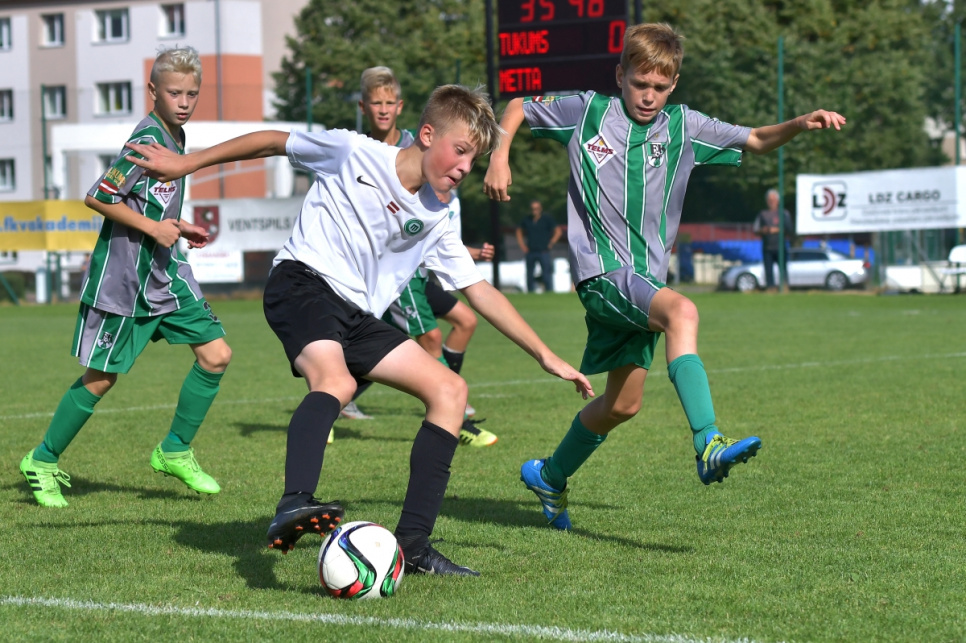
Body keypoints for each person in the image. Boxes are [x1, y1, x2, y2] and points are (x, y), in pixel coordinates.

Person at [127, 83, 594, 575]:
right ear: (427, 134)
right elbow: (272, 141)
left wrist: (545, 355)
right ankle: (294, 503)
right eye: (459, 150)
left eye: (473, 159)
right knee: (337, 382)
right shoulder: (354, 152)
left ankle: (413, 546)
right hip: (302, 283)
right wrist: (186, 164)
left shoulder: (436, 217)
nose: (463, 167)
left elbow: (479, 291)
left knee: (450, 391)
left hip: (356, 315)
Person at [484, 22, 845, 530]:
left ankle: (549, 475)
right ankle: (708, 442)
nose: (648, 95)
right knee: (683, 310)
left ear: (673, 84)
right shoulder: (587, 111)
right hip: (602, 274)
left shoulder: (685, 126)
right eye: (639, 83)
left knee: (622, 405)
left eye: (659, 86)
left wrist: (801, 123)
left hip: (641, 283)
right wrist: (499, 154)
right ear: (620, 75)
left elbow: (758, 139)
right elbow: (518, 105)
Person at [18, 46, 231, 508]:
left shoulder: (176, 135)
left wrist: (177, 225)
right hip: (127, 283)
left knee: (216, 355)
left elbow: (151, 199)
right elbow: (98, 196)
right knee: (101, 378)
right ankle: (42, 459)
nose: (184, 102)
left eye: (192, 94)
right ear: (152, 90)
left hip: (165, 274)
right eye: (174, 93)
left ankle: (174, 449)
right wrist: (154, 229)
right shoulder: (146, 140)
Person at [345, 66, 497, 448]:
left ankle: (338, 395)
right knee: (429, 336)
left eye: (389, 103)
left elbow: (439, 203)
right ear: (363, 108)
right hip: (392, 269)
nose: (383, 110)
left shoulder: (421, 146)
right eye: (375, 103)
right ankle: (456, 414)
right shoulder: (357, 150)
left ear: (400, 107)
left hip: (418, 265)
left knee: (463, 320)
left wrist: (461, 248)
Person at [516, 199, 561, 293]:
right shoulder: (527, 220)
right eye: (533, 209)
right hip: (530, 251)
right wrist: (522, 245)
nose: (534, 211)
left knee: (546, 274)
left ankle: (549, 292)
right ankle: (531, 292)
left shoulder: (547, 219)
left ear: (540, 209)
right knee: (530, 274)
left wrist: (551, 243)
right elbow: (519, 231)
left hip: (544, 251)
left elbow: (558, 231)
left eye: (536, 208)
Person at [753, 188, 793, 291]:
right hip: (767, 248)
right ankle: (770, 288)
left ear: (778, 201)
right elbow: (755, 229)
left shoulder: (784, 213)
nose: (771, 202)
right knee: (768, 271)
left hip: (780, 247)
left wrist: (777, 230)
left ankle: (784, 287)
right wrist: (763, 230)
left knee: (783, 269)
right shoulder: (763, 214)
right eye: (769, 200)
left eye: (773, 200)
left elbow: (790, 229)